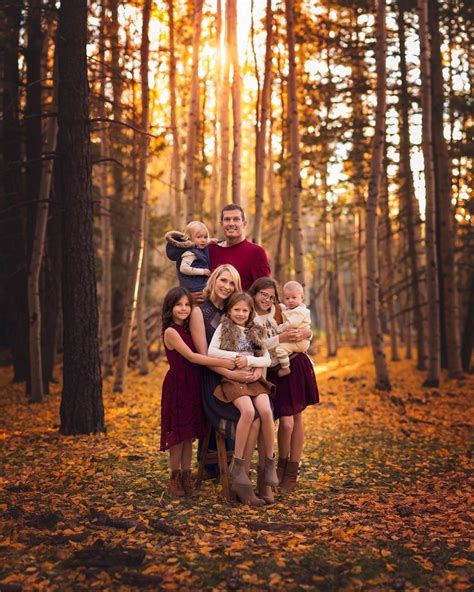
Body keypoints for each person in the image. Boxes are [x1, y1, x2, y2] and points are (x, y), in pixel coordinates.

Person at [189, 265, 265, 505]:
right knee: (250, 415)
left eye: (232, 283)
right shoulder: (199, 312)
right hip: (215, 380)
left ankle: (243, 478)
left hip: (242, 379)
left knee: (262, 414)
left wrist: (258, 369)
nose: (227, 286)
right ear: (214, 279)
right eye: (223, 280)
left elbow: (258, 347)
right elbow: (204, 356)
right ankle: (241, 481)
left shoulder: (237, 310)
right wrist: (231, 372)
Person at [160, 286, 235, 496]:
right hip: (178, 385)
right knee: (177, 435)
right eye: (179, 305)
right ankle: (174, 478)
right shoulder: (171, 332)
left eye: (186, 305)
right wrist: (222, 362)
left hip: (193, 383)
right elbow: (192, 357)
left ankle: (186, 477)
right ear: (170, 308)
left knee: (188, 435)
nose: (183, 309)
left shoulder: (186, 329)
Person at [249, 277, 319, 497]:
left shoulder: (280, 309)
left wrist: (307, 333)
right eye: (263, 294)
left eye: (271, 296)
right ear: (254, 293)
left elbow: (303, 323)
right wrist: (281, 337)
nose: (267, 299)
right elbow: (256, 345)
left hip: (295, 364)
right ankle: (279, 465)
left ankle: (290, 472)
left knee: (294, 420)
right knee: (284, 422)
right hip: (271, 369)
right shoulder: (248, 315)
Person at [207, 292, 278, 502]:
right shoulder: (225, 328)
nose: (240, 314)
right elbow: (212, 352)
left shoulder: (252, 333)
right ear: (229, 311)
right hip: (234, 381)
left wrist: (249, 362)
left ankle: (269, 464)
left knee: (266, 411)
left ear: (250, 313)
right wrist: (237, 358)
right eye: (236, 309)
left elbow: (265, 358)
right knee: (248, 411)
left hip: (254, 379)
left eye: (244, 310)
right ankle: (237, 465)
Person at [208, 204, 271, 291]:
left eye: (236, 219)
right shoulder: (211, 250)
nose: (231, 223)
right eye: (227, 219)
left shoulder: (256, 252)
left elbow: (265, 290)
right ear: (221, 224)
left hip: (242, 304)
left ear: (244, 223)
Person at [165, 221, 212, 299]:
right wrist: (203, 271)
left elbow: (203, 243)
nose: (203, 240)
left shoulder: (198, 249)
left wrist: (210, 241)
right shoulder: (190, 253)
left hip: (199, 285)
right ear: (189, 239)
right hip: (193, 287)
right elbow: (184, 268)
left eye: (205, 237)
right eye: (199, 237)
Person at [275, 281, 311, 377]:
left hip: (300, 341)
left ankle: (285, 368)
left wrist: (279, 328)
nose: (290, 300)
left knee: (280, 349)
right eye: (287, 298)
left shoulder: (299, 311)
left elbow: (292, 323)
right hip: (299, 340)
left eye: (294, 297)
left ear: (302, 297)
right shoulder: (290, 310)